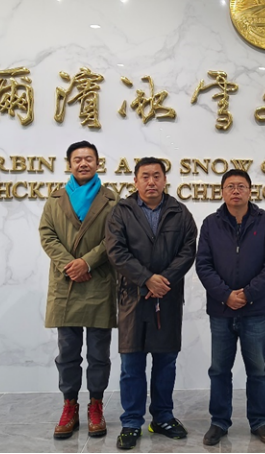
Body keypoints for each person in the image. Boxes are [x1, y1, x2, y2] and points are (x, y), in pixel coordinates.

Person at [105, 157, 198, 450]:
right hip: (132, 298)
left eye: (157, 176)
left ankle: (163, 417)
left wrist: (162, 281)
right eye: (145, 176)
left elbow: (188, 251)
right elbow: (116, 251)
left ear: (165, 180)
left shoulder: (179, 213)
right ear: (135, 181)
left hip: (167, 298)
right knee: (131, 363)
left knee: (165, 362)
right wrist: (146, 279)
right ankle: (132, 422)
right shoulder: (121, 212)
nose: (151, 182)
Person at [196, 169, 265, 446]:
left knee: (257, 370)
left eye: (241, 186)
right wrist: (226, 295)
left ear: (250, 191)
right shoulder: (210, 224)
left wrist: (247, 294)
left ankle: (260, 421)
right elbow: (203, 264)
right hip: (221, 310)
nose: (236, 191)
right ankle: (219, 422)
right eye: (230, 186)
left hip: (255, 310)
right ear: (222, 191)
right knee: (219, 370)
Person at [40, 141, 119, 440]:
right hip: (66, 284)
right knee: (68, 353)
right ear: (69, 164)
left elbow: (115, 237)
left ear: (98, 163)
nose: (83, 163)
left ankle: (96, 405)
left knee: (99, 353)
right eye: (77, 159)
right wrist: (69, 264)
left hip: (98, 280)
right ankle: (69, 406)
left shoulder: (112, 200)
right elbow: (47, 235)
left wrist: (87, 262)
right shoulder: (55, 199)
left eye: (88, 158)